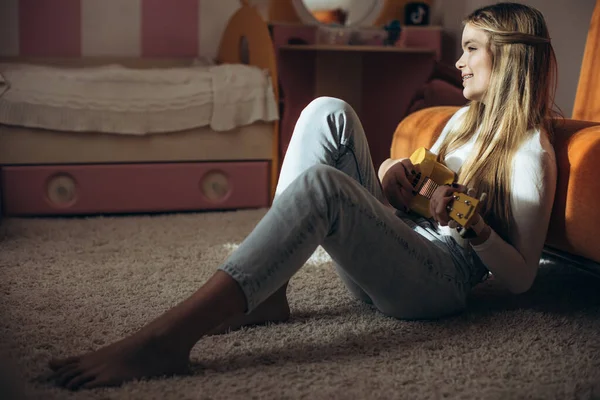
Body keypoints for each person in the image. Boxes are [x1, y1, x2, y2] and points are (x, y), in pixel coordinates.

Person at [48, 2, 558, 390]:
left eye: (471, 48)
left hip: (439, 281)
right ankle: (266, 294)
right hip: (403, 246)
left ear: (510, 57)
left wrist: (478, 231)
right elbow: (416, 197)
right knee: (326, 110)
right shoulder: (463, 120)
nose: (459, 60)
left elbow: (521, 279)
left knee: (325, 188)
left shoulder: (531, 152)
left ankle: (168, 339)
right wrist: (387, 176)